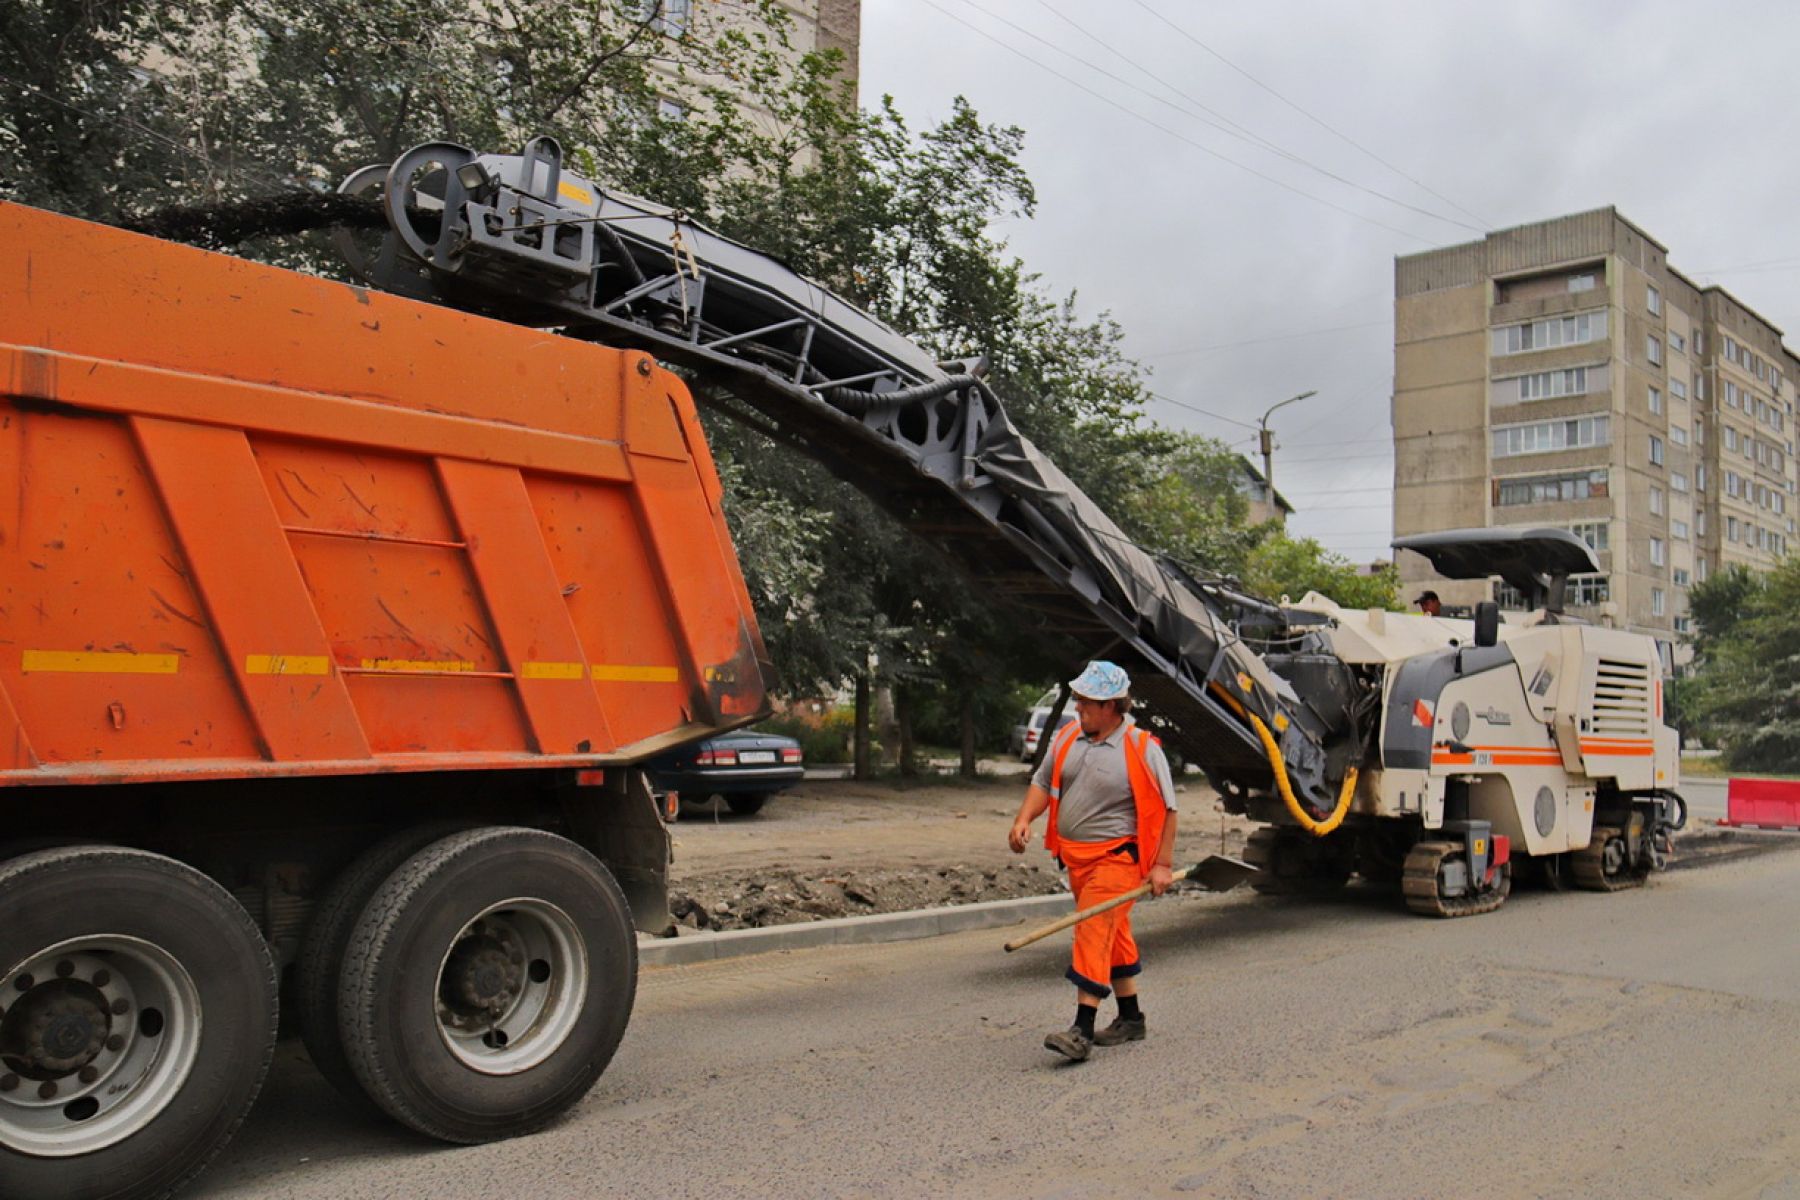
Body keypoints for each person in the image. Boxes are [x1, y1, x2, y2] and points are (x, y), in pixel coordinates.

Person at [1008, 660, 1178, 1062]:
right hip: (1077, 860)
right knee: (1112, 932)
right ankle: (1132, 1017)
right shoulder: (1069, 737)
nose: (1079, 706)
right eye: (1079, 699)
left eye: (1087, 701)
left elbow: (1169, 810)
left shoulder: (1142, 748)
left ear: (1113, 706)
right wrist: (1022, 819)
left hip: (1119, 859)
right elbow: (1040, 782)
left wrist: (1163, 865)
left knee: (1092, 928)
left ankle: (1081, 1029)